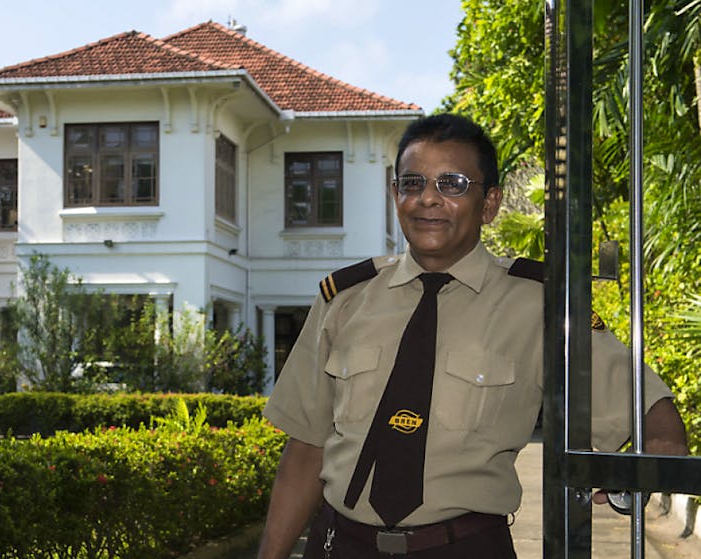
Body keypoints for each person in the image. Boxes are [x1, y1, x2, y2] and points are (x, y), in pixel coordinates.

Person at [257, 113, 688, 559]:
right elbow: (306, 448)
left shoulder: (539, 305)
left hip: (466, 547)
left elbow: (646, 407)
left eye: (453, 184)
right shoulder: (345, 300)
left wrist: (658, 447)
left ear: (490, 204)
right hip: (340, 545)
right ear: (396, 195)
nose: (427, 198)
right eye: (412, 183)